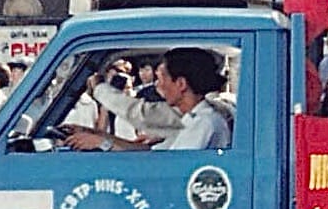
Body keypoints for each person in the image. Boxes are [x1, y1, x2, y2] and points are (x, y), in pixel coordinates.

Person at [66, 48, 232, 151]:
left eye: (161, 79)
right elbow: (148, 151)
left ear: (180, 84)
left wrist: (103, 144)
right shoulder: (191, 119)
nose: (158, 86)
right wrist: (97, 136)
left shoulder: (204, 122)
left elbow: (167, 165)